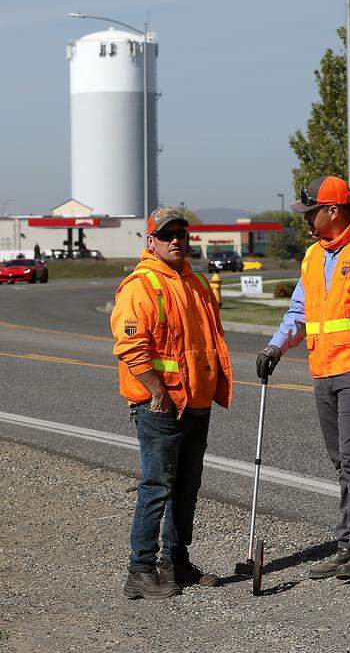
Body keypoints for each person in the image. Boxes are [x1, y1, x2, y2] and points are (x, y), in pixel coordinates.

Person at [256, 176, 350, 579]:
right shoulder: (312, 256)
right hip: (323, 370)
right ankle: (346, 543)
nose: (306, 219)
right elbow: (299, 313)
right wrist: (275, 347)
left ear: (333, 211)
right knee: (341, 458)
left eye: (311, 211)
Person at [110, 207, 234, 599]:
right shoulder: (140, 286)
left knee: (186, 487)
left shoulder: (195, 283)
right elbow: (130, 345)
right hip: (160, 406)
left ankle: (175, 562)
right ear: (151, 242)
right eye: (167, 235)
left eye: (182, 234)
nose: (176, 240)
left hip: (196, 403)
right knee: (157, 486)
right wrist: (157, 390)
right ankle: (140, 570)